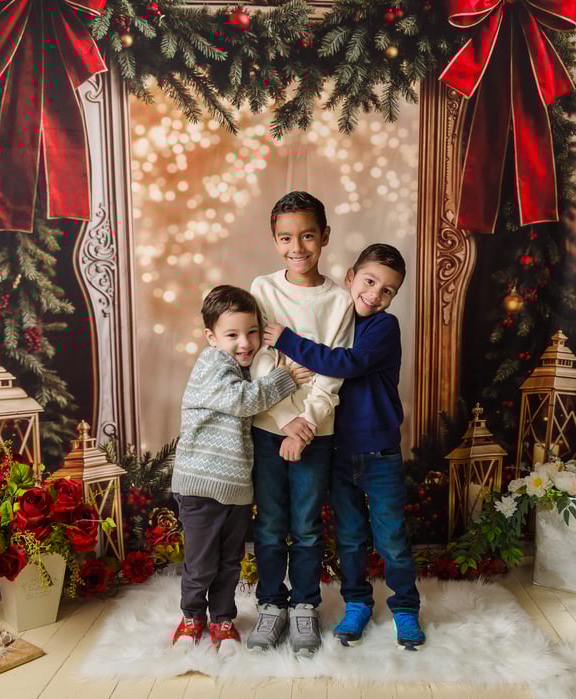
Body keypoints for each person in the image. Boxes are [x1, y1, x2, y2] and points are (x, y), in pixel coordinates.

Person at [263, 243, 425, 651]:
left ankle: (405, 607)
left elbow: (344, 364)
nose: (374, 294)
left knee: (391, 538)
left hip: (380, 453)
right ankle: (357, 603)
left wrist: (287, 340)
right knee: (350, 537)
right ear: (350, 277)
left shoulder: (383, 328)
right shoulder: (335, 318)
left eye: (387, 290)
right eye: (369, 282)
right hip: (338, 452)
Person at [170, 285, 311, 653]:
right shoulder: (212, 364)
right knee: (201, 563)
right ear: (211, 337)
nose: (245, 343)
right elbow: (241, 401)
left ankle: (222, 618)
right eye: (232, 335)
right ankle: (191, 617)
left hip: (234, 489)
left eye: (252, 332)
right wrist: (285, 378)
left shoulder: (243, 367)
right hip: (201, 485)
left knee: (230, 562)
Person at [246, 191, 355, 656]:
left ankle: (305, 604)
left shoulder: (340, 301)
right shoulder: (263, 290)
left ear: (324, 237)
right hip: (270, 426)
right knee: (271, 522)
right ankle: (271, 604)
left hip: (317, 432)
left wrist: (306, 423)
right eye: (286, 238)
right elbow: (258, 360)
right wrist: (287, 420)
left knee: (308, 524)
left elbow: (332, 372)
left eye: (307, 236)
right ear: (275, 240)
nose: (297, 247)